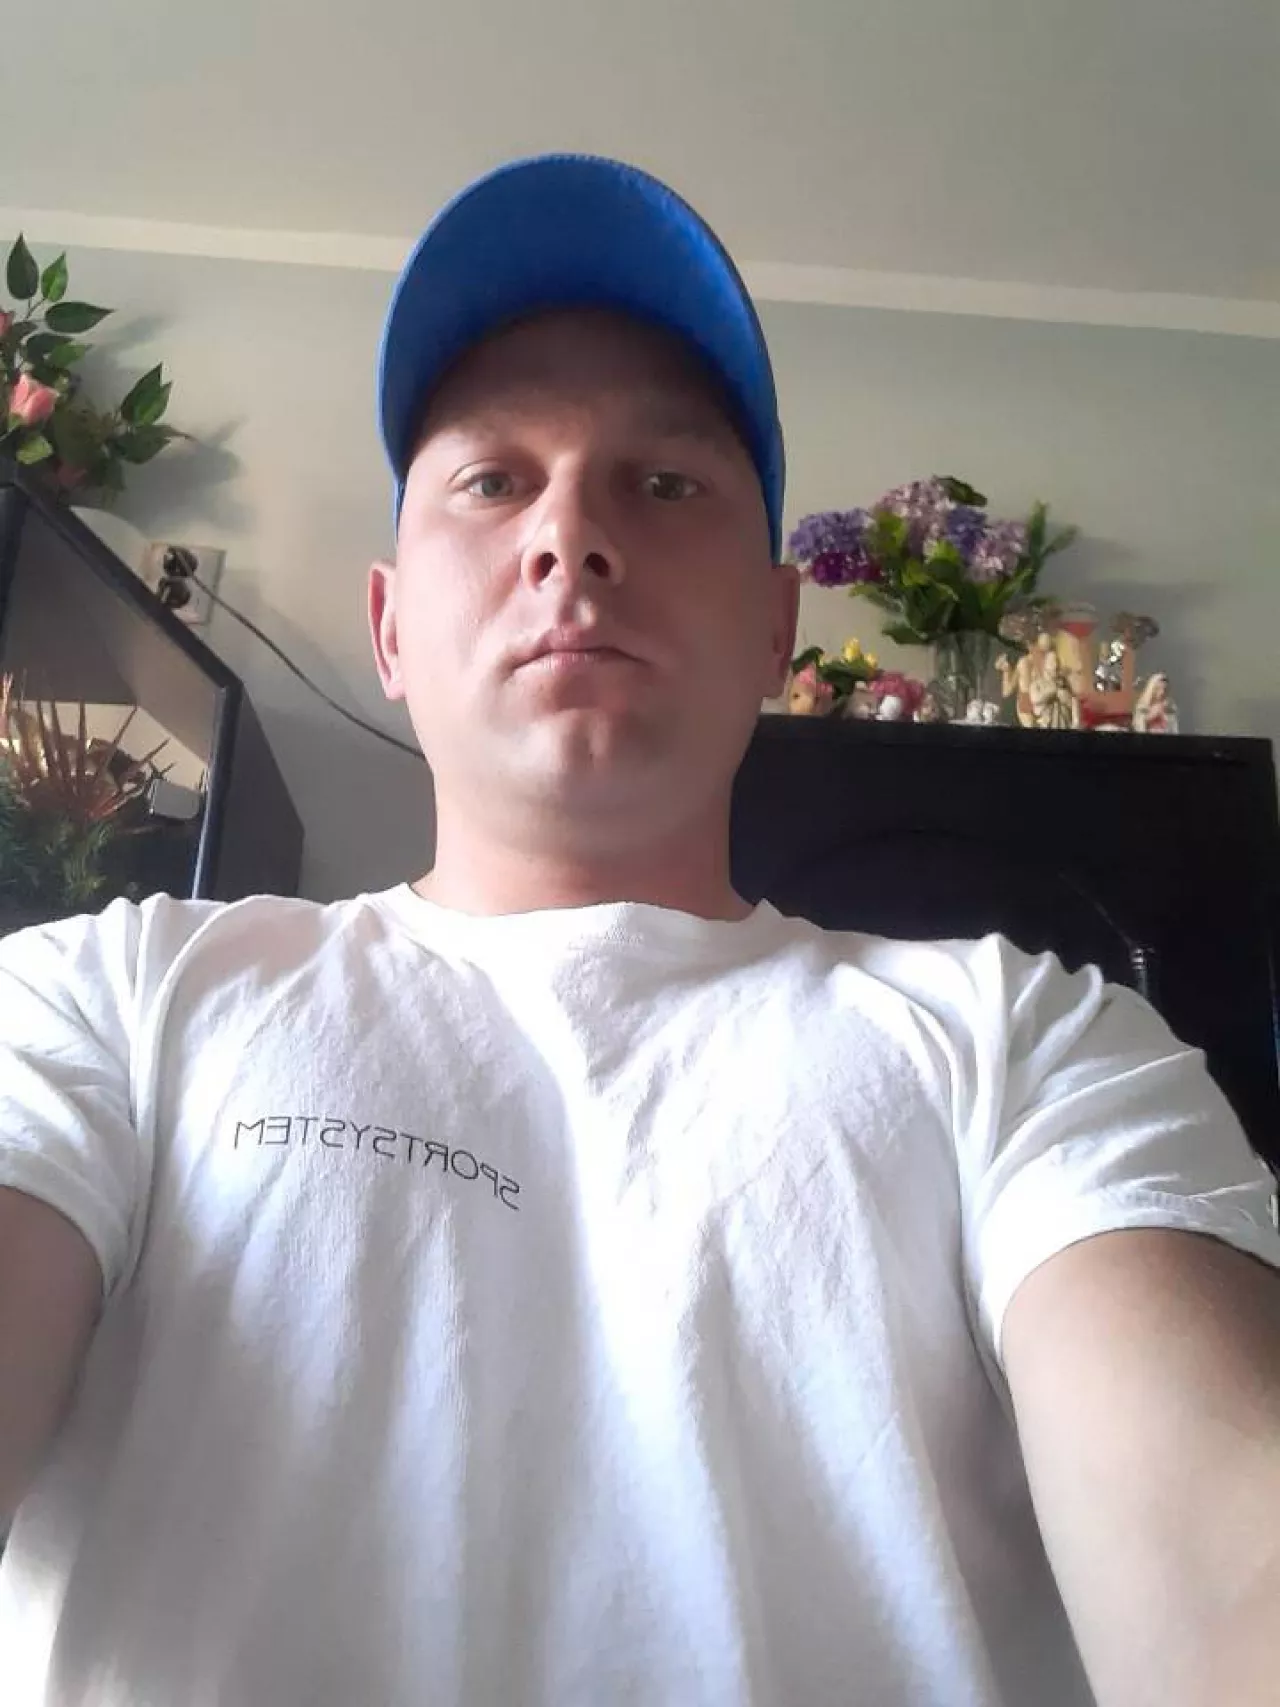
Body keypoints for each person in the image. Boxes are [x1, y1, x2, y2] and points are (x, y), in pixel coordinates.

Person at [1, 154, 1278, 1707]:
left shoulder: (1031, 1046)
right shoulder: (103, 1003)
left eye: (662, 484)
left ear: (776, 629)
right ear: (391, 627)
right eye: (492, 480)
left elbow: (1233, 1562)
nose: (570, 536)